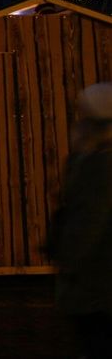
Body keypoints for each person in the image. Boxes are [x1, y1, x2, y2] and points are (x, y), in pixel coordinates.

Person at [51, 82, 112, 357]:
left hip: (96, 284)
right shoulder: (89, 158)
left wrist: (69, 259)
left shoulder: (100, 165)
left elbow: (89, 220)